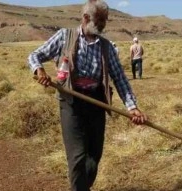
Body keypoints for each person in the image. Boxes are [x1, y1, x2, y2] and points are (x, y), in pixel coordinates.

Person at [27, 0, 147, 190]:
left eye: (106, 20)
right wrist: (39, 71)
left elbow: (120, 79)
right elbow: (34, 56)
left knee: (93, 157)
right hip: (71, 103)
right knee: (77, 157)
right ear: (85, 18)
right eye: (100, 20)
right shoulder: (64, 37)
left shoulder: (106, 47)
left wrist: (133, 107)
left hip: (97, 103)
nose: (104, 24)